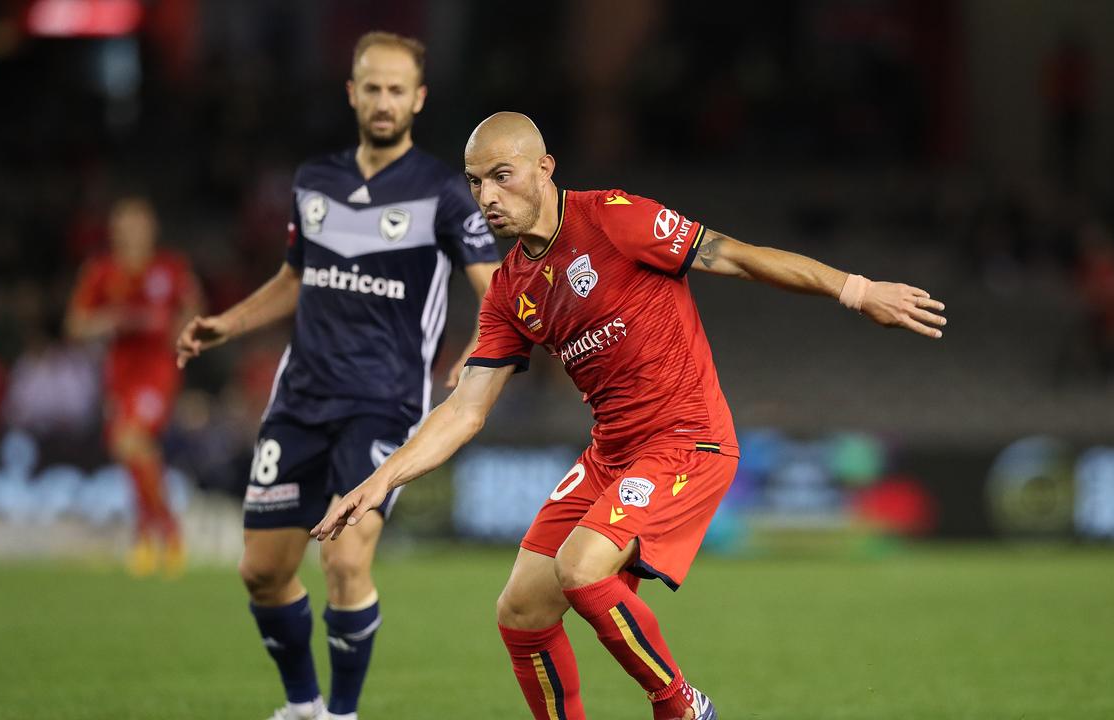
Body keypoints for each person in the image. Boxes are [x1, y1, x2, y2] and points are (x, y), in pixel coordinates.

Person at [312, 112, 948, 720]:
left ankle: (681, 705)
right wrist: (380, 481)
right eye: (475, 182)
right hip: (611, 453)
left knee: (580, 567)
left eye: (502, 175)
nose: (487, 196)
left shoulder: (614, 219)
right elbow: (465, 409)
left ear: (544, 168)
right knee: (522, 612)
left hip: (688, 440)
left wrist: (858, 291)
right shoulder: (509, 290)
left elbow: (733, 255)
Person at [175, 32, 500, 720]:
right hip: (299, 399)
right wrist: (225, 325)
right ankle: (304, 706)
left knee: (347, 563)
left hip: (383, 404)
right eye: (372, 88)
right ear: (352, 93)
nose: (383, 101)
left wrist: (479, 354)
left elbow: (499, 290)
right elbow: (296, 278)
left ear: (418, 98)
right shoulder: (313, 181)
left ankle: (343, 715)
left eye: (396, 90)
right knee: (262, 572)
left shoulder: (445, 192)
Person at [66, 196, 202, 577]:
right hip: (119, 373)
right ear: (115, 230)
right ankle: (152, 532)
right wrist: (115, 319)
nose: (132, 232)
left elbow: (193, 308)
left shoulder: (171, 268)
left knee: (130, 439)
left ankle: (162, 532)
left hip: (157, 370)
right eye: (125, 225)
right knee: (130, 450)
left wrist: (181, 330)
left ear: (151, 228)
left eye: (138, 224)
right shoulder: (101, 271)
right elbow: (76, 325)